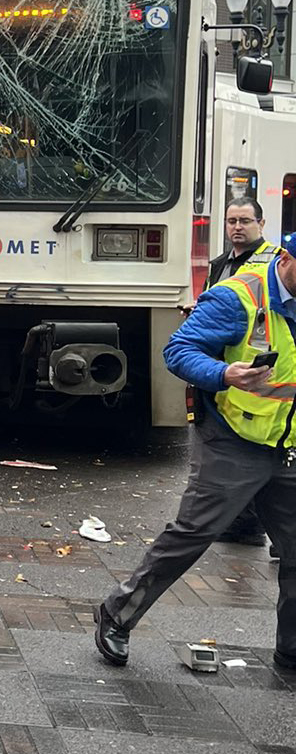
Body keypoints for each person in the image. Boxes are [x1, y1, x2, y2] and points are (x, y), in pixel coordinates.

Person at [95, 232, 296, 668]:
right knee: (193, 533)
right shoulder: (237, 297)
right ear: (287, 259)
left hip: (288, 444)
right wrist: (225, 374)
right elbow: (178, 350)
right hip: (231, 437)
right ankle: (117, 614)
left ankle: (292, 650)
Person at [204, 198, 284, 547]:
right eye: (231, 221)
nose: (237, 227)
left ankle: (255, 527)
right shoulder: (221, 263)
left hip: (265, 366)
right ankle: (243, 522)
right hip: (227, 365)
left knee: (261, 448)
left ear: (261, 224)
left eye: (245, 221)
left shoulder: (275, 261)